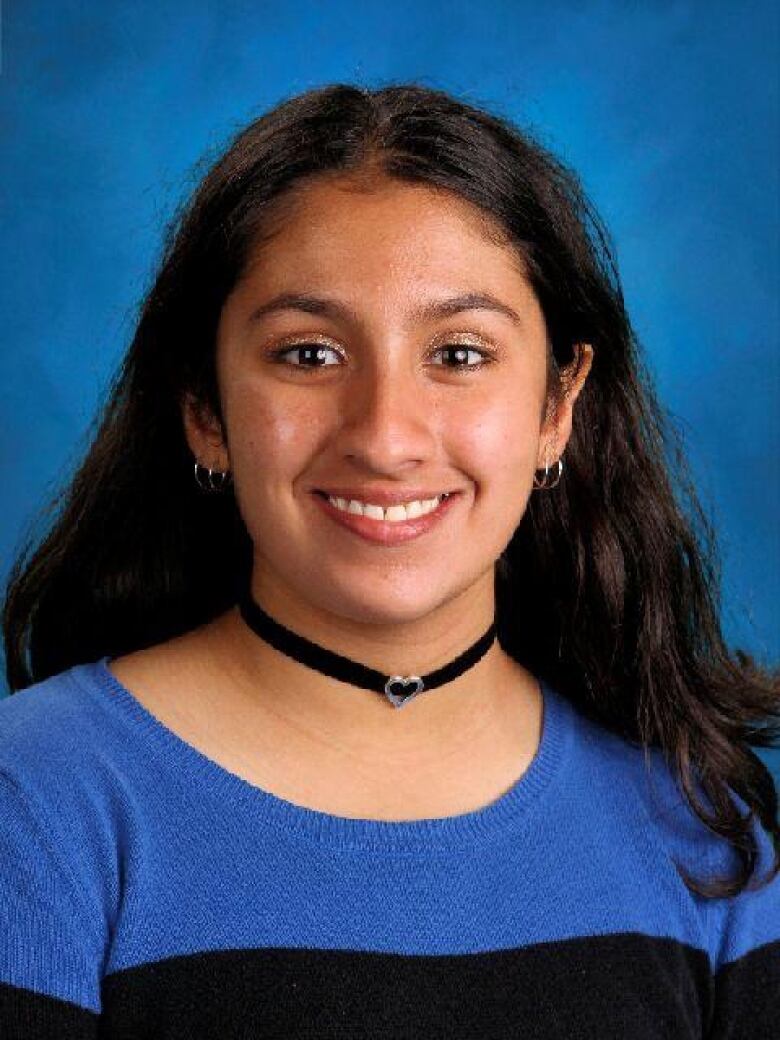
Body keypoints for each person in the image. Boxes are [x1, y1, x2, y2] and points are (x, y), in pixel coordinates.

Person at [1, 83, 777, 1038]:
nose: (385, 437)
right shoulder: (35, 801)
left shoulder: (705, 827)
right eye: (309, 355)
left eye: (458, 354)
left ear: (557, 406)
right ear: (205, 408)